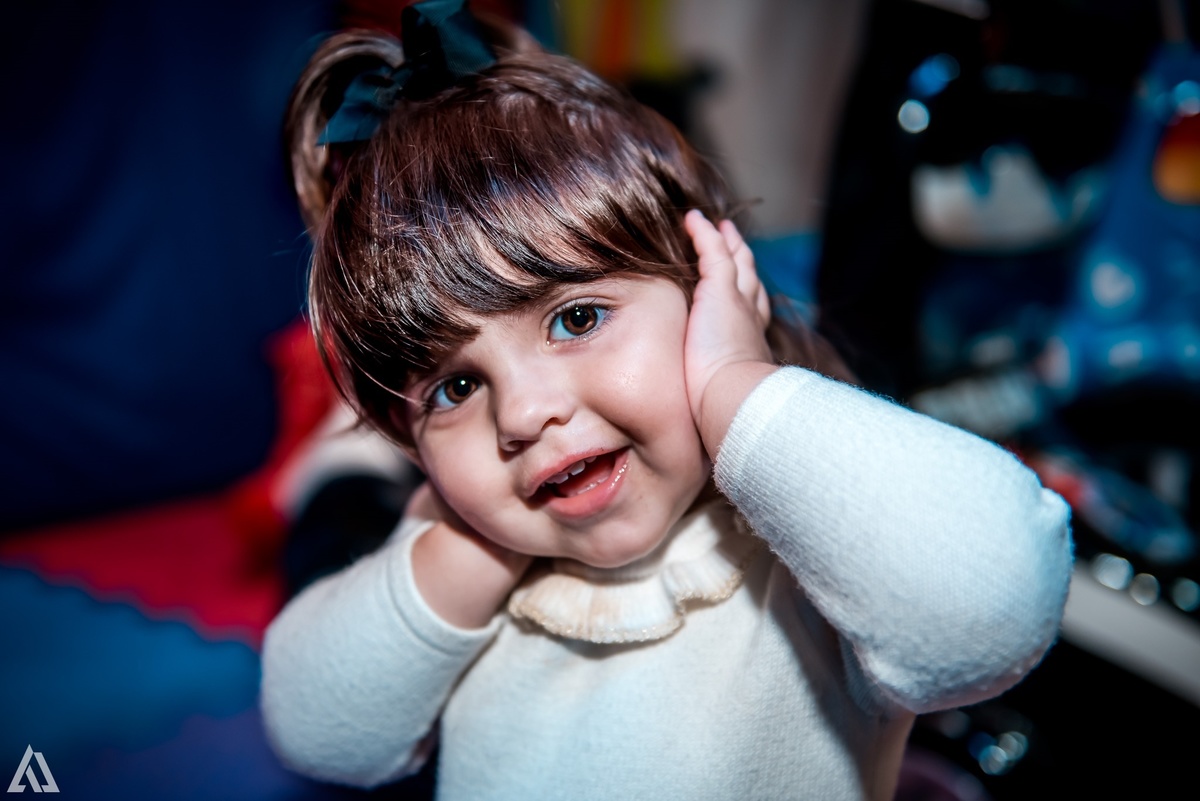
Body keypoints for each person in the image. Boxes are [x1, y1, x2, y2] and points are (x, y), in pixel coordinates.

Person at [260, 2, 1074, 799]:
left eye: (576, 318)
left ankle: (346, 458)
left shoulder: (815, 546)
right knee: (339, 538)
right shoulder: (465, 543)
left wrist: (735, 387)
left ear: (708, 289)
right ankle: (347, 464)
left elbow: (996, 609)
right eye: (458, 386)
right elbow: (318, 731)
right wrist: (470, 534)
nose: (521, 415)